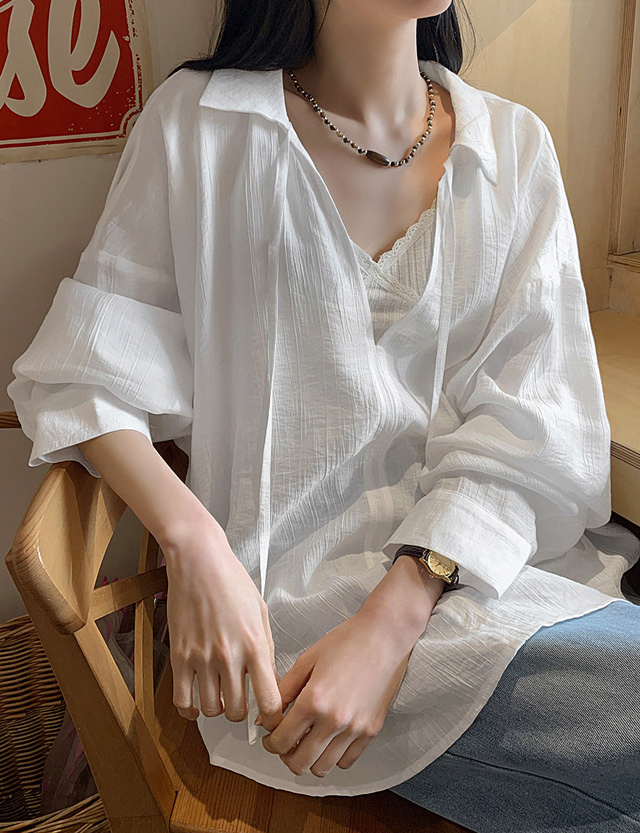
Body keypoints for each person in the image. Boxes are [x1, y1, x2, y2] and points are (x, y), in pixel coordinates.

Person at [7, 0, 640, 829]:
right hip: (292, 630)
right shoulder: (202, 125)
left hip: (485, 583)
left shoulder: (513, 149)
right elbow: (87, 375)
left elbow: (536, 430)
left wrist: (394, 618)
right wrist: (194, 541)